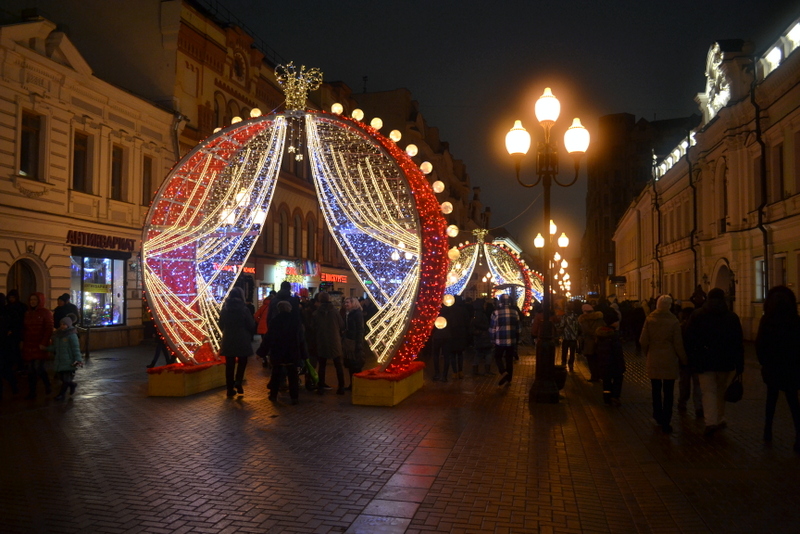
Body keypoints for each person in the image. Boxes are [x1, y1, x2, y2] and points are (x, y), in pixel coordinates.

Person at [684, 288, 744, 436]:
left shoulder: (697, 315)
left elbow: (688, 339)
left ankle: (710, 421)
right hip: (725, 361)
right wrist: (739, 363)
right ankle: (720, 417)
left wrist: (691, 359)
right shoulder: (731, 317)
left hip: (704, 361)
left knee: (708, 392)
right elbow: (738, 342)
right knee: (720, 390)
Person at [755, 285, 800, 452]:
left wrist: (764, 362)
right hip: (791, 368)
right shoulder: (795, 320)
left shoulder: (767, 320)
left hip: (772, 367)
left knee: (771, 399)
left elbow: (760, 344)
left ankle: (768, 430)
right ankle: (798, 435)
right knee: (793, 402)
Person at [640, 295, 687, 433]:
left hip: (653, 357)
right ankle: (666, 419)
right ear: (669, 306)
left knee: (655, 389)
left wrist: (647, 353)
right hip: (669, 359)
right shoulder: (673, 321)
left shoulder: (649, 319)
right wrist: (683, 359)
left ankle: (657, 414)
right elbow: (678, 343)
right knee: (668, 391)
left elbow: (643, 341)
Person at [258, 300, 304, 404]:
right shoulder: (295, 320)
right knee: (293, 375)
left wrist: (261, 352)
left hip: (278, 351)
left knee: (276, 374)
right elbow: (300, 339)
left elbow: (269, 338)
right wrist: (304, 354)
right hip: (292, 351)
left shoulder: (275, 321)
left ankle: (273, 395)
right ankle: (294, 397)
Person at [219, 287, 255, 398]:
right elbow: (251, 324)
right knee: (242, 360)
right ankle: (238, 381)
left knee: (229, 365)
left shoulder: (225, 309)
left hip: (228, 339)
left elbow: (220, 324)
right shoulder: (244, 309)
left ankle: (229, 389)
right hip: (242, 338)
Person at [312, 292, 345, 395]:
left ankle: (321, 386)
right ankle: (341, 387)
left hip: (321, 340)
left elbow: (313, 327)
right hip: (334, 341)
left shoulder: (316, 313)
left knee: (322, 365)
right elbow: (342, 325)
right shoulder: (335, 312)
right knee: (338, 365)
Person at [23, 292, 54, 399]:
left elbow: (48, 329)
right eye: (31, 299)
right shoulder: (28, 313)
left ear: (40, 301)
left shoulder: (46, 313)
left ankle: (47, 384)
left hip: (40, 345)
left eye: (35, 300)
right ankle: (32, 392)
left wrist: (44, 343)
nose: (32, 302)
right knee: (31, 370)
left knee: (38, 368)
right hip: (29, 344)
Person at [46, 316, 83, 401]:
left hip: (69, 361)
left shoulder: (72, 335)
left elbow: (75, 348)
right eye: (61, 324)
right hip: (60, 360)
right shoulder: (58, 335)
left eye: (64, 324)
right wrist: (46, 348)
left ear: (68, 325)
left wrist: (78, 359)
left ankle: (61, 394)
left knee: (66, 380)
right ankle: (72, 384)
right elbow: (55, 347)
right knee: (62, 378)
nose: (62, 326)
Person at [595, 307, 626, 406]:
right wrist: (621, 365)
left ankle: (607, 398)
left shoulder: (601, 334)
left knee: (606, 382)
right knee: (618, 379)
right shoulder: (613, 336)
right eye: (616, 321)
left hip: (603, 364)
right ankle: (615, 396)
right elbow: (617, 352)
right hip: (614, 363)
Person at [677, 305, 703, 417]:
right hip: (697, 359)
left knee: (684, 384)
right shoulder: (699, 327)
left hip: (685, 361)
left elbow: (678, 344)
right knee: (697, 385)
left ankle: (682, 402)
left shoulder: (680, 327)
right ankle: (698, 407)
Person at [491, 294, 520, 386]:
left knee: (497, 357)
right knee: (509, 359)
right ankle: (509, 378)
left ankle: (503, 372)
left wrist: (492, 338)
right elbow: (518, 328)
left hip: (500, 340)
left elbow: (492, 328)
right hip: (511, 339)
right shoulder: (515, 312)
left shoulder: (496, 313)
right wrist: (517, 338)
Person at [343, 297, 366, 388]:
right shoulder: (349, 313)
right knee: (351, 363)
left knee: (356, 364)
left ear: (354, 303)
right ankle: (352, 384)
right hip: (349, 341)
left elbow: (360, 329)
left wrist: (359, 343)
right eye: (345, 302)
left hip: (354, 341)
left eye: (348, 302)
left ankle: (357, 384)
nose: (346, 304)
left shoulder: (357, 314)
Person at [578, 303, 605, 382]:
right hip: (599, 341)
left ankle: (594, 376)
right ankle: (599, 375)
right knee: (598, 359)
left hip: (589, 343)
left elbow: (585, 330)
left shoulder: (584, 320)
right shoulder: (599, 318)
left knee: (591, 361)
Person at [0, 293, 19, 398]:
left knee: (4, 369)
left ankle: (13, 385)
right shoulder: (7, 311)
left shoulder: (7, 312)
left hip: (5, 345)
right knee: (5, 370)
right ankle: (13, 385)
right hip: (5, 345)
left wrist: (10, 332)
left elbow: (14, 326)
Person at [471, 299, 494, 376]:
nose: (485, 306)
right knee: (488, 353)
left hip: (480, 337)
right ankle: (487, 371)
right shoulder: (480, 314)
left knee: (478, 353)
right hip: (483, 336)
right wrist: (486, 327)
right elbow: (477, 323)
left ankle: (475, 370)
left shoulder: (477, 313)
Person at [5, 289, 26, 372]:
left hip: (18, 332)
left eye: (13, 297)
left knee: (18, 350)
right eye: (10, 297)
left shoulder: (21, 307)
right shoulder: (7, 307)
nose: (11, 299)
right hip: (9, 332)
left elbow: (21, 320)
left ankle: (20, 366)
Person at [560, 301, 580, 372]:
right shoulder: (576, 316)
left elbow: (562, 325)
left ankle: (563, 363)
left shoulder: (565, 316)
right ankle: (571, 364)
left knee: (564, 351)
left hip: (566, 336)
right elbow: (578, 325)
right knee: (572, 352)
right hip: (574, 337)